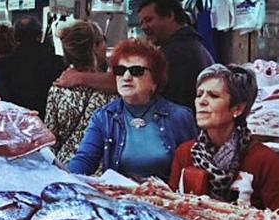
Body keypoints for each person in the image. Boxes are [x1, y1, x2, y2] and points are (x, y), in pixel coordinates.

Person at [170, 64, 279, 215]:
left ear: (237, 108)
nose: (202, 101)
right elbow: (169, 207)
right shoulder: (185, 152)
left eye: (213, 96)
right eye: (199, 94)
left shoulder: (264, 160)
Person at [67, 39, 196, 180]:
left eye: (136, 71)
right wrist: (61, 178)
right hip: (117, 199)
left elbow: (192, 170)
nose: (126, 77)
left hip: (166, 200)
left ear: (155, 80)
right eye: (120, 71)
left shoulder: (180, 117)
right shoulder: (104, 117)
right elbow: (84, 160)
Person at [44, 21, 115, 166]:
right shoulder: (111, 90)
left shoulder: (58, 87)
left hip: (65, 167)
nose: (105, 46)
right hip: (101, 169)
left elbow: (50, 139)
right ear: (94, 47)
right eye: (103, 41)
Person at [138, 0, 215, 109]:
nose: (143, 27)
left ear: (170, 15)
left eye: (148, 20)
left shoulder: (174, 53)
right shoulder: (195, 46)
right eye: (141, 23)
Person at [0, 16, 65, 119]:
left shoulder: (4, 64)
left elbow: (3, 102)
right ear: (40, 35)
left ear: (15, 37)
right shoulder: (58, 63)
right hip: (47, 125)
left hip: (17, 125)